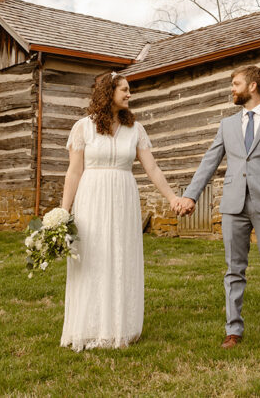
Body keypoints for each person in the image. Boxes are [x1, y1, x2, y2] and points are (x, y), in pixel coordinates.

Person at [173, 64, 260, 349]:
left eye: (236, 84)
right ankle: (233, 331)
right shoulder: (227, 125)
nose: (232, 89)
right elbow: (210, 161)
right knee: (234, 270)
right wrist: (191, 195)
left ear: (252, 86)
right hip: (233, 205)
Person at [59, 71, 179, 351]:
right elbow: (74, 172)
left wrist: (172, 197)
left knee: (121, 257)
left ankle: (120, 327)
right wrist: (64, 211)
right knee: (92, 258)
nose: (129, 94)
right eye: (124, 89)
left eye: (129, 89)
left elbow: (152, 168)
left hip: (124, 198)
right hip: (92, 198)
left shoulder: (135, 129)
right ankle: (89, 327)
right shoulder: (83, 128)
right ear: (108, 92)